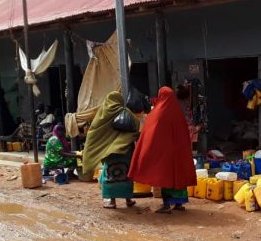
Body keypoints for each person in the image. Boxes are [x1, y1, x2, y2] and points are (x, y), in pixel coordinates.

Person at [129, 86, 196, 214]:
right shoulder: (177, 112)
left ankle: (167, 205)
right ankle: (179, 204)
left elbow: (150, 132)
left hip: (166, 153)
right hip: (179, 152)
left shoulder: (159, 112)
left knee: (167, 177)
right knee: (179, 176)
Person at [82, 91, 139, 209]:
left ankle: (111, 201)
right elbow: (136, 125)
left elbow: (93, 131)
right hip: (126, 150)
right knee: (126, 174)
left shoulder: (102, 114)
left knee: (111, 174)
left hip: (109, 152)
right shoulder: (126, 112)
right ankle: (128, 200)